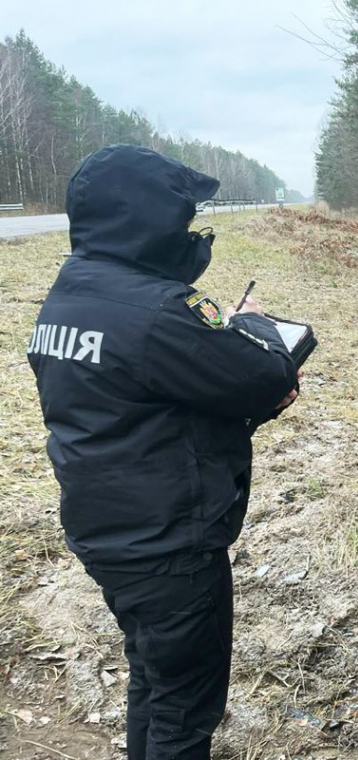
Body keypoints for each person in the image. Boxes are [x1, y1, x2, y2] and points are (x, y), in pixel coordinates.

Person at [26, 145, 299, 760]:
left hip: (110, 531)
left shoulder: (70, 294)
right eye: (181, 217)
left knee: (155, 677)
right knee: (185, 709)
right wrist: (250, 326)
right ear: (147, 221)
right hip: (168, 546)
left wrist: (211, 338)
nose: (189, 230)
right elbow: (262, 379)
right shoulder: (156, 313)